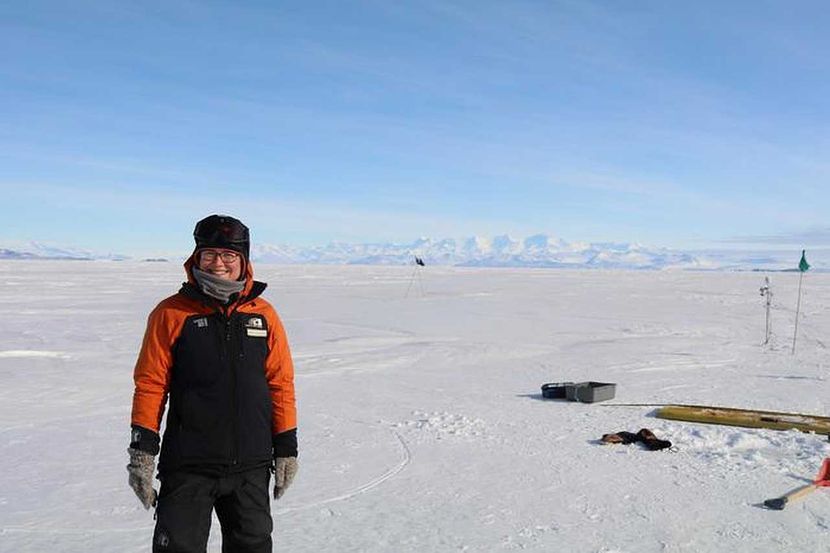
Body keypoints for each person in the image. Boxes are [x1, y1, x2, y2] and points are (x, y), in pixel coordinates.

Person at [126, 214, 298, 553]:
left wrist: (286, 449)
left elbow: (280, 384)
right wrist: (142, 452)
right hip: (189, 466)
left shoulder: (263, 315)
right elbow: (150, 384)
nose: (218, 263)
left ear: (243, 260)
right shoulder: (171, 313)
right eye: (210, 254)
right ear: (197, 257)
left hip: (251, 466)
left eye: (228, 255)